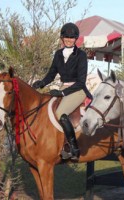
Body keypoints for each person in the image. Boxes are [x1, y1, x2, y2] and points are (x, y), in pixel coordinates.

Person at [32, 22, 92, 161]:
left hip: (78, 90)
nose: (69, 39)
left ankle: (73, 148)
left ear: (76, 39)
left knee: (60, 113)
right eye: (66, 37)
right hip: (63, 88)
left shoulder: (81, 55)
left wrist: (62, 93)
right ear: (62, 38)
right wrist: (42, 83)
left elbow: (81, 82)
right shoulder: (58, 54)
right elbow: (52, 73)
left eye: (72, 37)